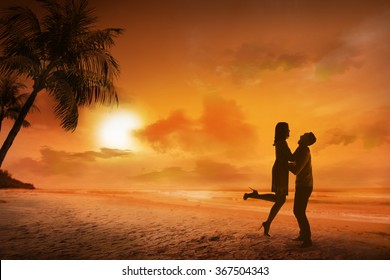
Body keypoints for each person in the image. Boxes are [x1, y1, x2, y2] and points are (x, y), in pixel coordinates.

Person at [243, 122, 293, 236]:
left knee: (279, 199)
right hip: (281, 171)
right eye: (288, 129)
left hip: (280, 170)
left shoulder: (279, 143)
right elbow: (291, 157)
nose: (289, 131)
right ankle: (267, 221)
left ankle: (255, 198)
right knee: (280, 200)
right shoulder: (283, 143)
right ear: (283, 131)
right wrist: (302, 150)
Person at [289, 132, 316, 248]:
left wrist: (283, 164)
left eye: (304, 135)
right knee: (297, 211)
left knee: (299, 212)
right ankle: (303, 234)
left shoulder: (304, 151)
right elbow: (292, 158)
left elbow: (296, 170)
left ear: (306, 140)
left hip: (305, 186)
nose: (301, 134)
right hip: (301, 185)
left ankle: (307, 239)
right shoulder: (301, 148)